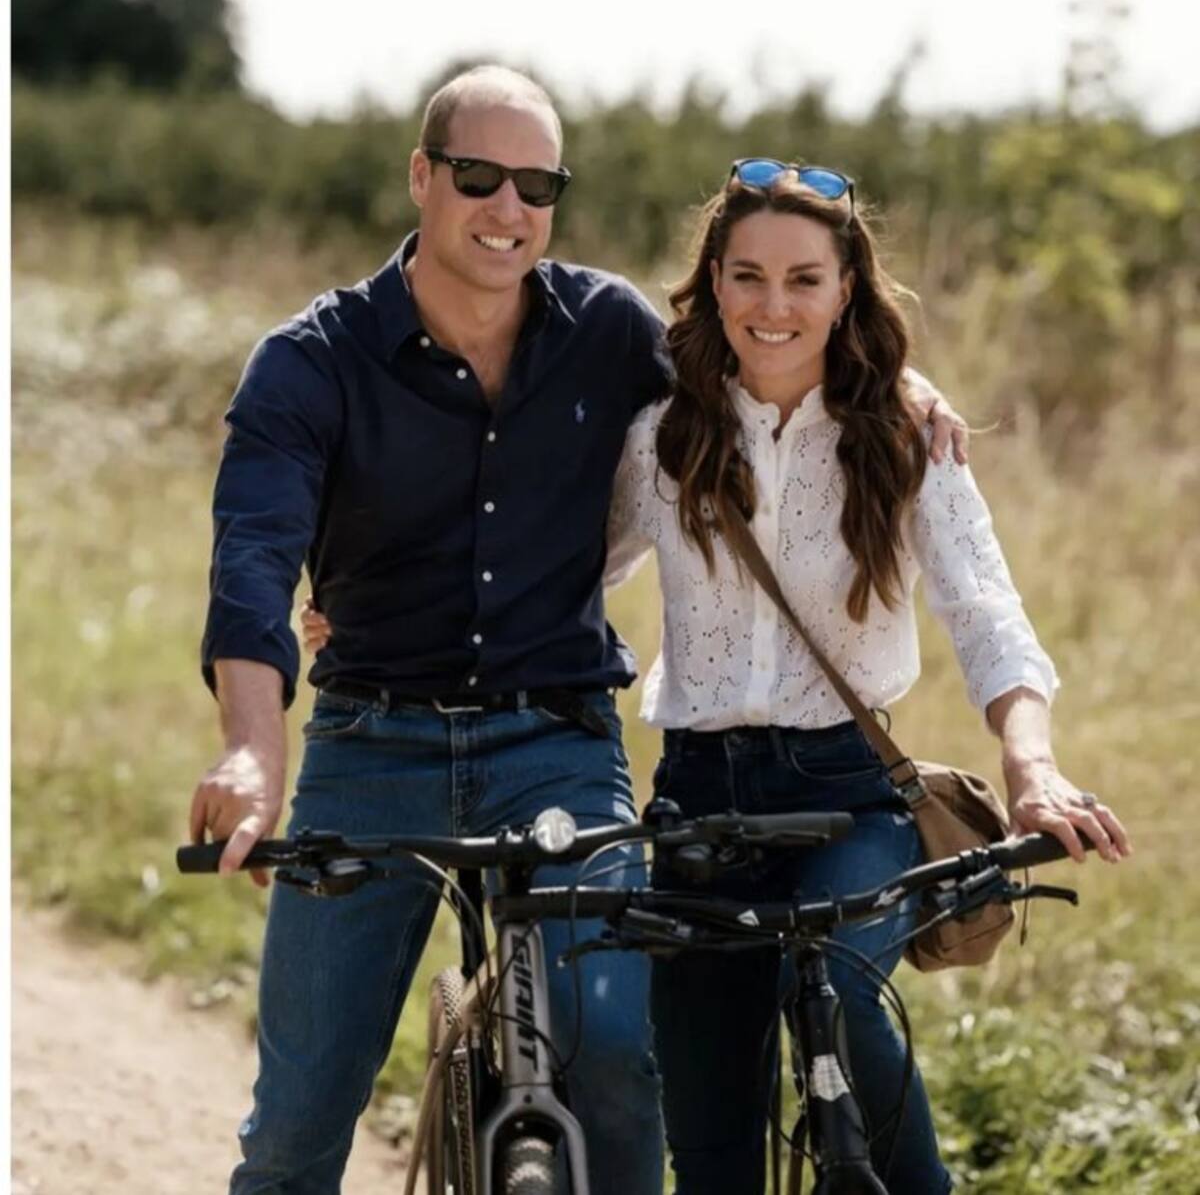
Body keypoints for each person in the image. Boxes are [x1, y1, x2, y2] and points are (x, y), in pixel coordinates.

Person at [193, 63, 966, 1195]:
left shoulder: (606, 330)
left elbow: (763, 350)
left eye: (538, 185)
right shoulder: (311, 361)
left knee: (613, 1055)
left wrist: (901, 385)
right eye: (478, 176)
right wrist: (253, 751)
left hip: (553, 743)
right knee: (298, 1121)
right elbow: (253, 559)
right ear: (422, 176)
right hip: (370, 745)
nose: (508, 208)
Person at [595, 159, 1132, 1194]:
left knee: (843, 990)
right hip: (699, 798)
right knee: (708, 1133)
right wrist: (378, 605)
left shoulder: (904, 435)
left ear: (847, 290)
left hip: (849, 793)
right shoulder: (662, 437)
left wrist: (1032, 766)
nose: (774, 306)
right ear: (714, 283)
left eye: (804, 279)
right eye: (748, 276)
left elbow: (987, 613)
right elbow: (566, 568)